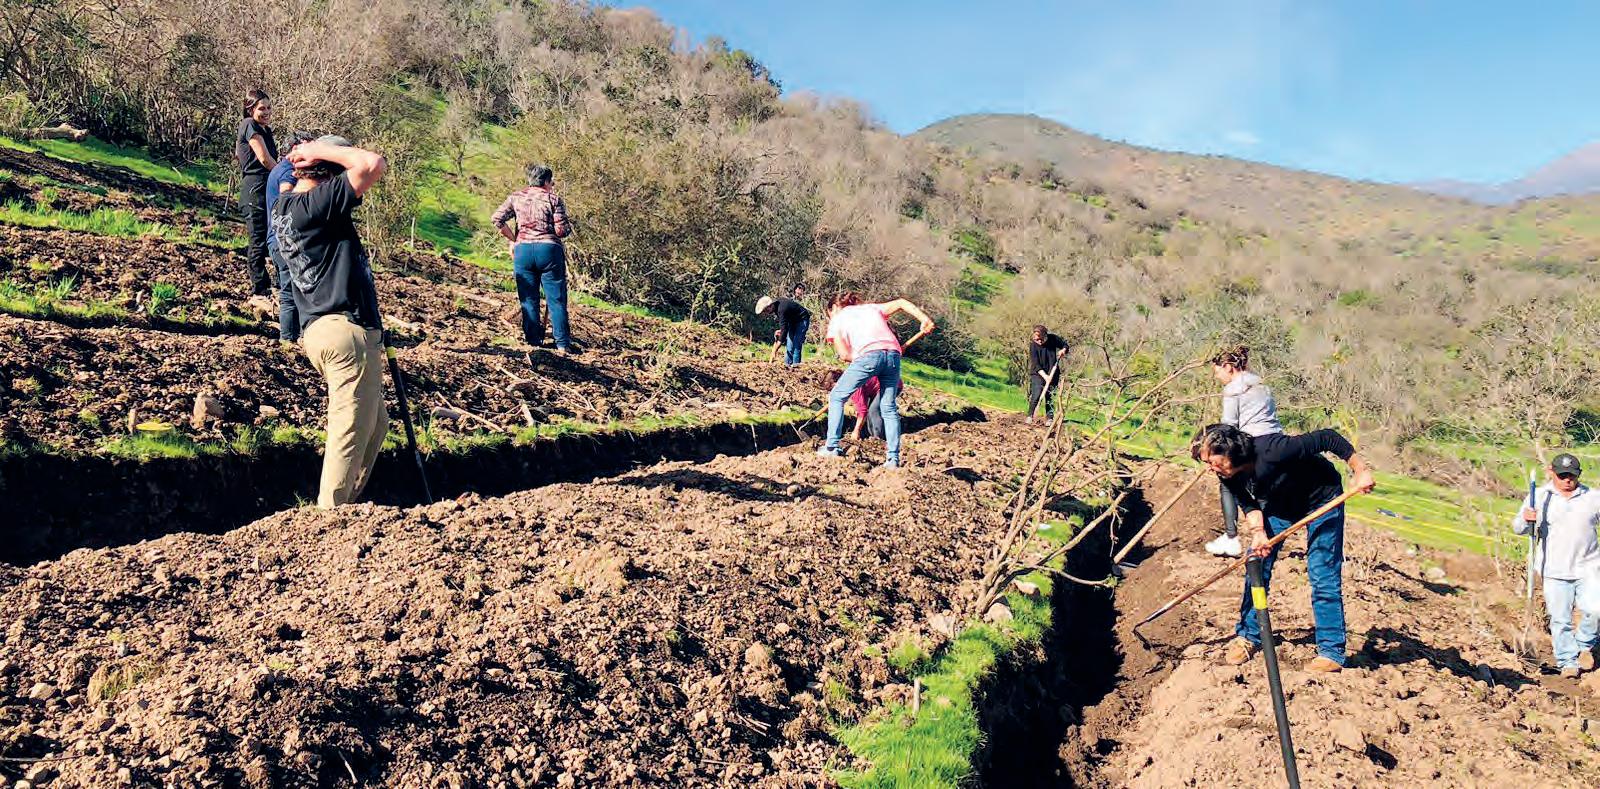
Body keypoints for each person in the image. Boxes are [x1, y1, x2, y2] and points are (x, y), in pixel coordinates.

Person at [1191, 423, 1376, 673]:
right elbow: (1247, 502)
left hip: (1322, 501)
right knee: (1256, 563)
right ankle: (1248, 635)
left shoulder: (1274, 449)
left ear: (1230, 450)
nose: (1210, 468)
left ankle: (1331, 651)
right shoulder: (1226, 473)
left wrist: (1360, 470)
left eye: (1211, 461)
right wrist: (1258, 532)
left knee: (1322, 573)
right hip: (1280, 506)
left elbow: (1328, 437)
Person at [270, 135, 389, 508]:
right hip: (342, 329)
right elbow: (371, 164)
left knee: (375, 424)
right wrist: (316, 151)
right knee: (349, 428)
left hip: (323, 329)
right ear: (329, 173)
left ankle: (348, 502)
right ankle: (331, 515)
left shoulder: (286, 205)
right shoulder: (315, 204)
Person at [817, 292, 935, 468]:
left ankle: (831, 447)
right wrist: (924, 319)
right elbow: (901, 302)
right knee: (888, 407)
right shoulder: (871, 308)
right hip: (893, 354)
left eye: (830, 314)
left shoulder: (837, 319)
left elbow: (844, 355)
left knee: (837, 397)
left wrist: (864, 356)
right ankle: (893, 459)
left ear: (833, 308)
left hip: (869, 356)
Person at [1513, 453, 1600, 678]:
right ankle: (1567, 662)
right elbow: (1519, 528)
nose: (1567, 480)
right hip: (1554, 569)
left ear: (1579, 475)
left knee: (1595, 611)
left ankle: (1583, 646)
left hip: (1589, 567)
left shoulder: (1592, 497)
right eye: (1562, 475)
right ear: (1552, 473)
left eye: (1572, 475)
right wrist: (1527, 519)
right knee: (1560, 620)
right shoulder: (1540, 497)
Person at [1205, 346, 1285, 558]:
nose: (1218, 377)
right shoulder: (1261, 385)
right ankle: (1265, 538)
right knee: (1262, 492)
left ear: (1228, 367)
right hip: (1275, 442)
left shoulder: (1233, 390)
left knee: (1227, 481)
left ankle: (1231, 538)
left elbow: (1228, 428)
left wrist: (1215, 453)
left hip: (1251, 445)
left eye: (1217, 372)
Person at [491, 164, 573, 359]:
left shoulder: (515, 197)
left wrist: (513, 239)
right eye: (551, 182)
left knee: (528, 298)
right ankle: (562, 344)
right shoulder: (553, 199)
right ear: (546, 182)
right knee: (556, 299)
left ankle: (533, 342)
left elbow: (497, 219)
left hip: (523, 251)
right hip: (549, 251)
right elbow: (561, 231)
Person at [265, 131, 313, 343]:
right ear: (295, 149)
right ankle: (292, 339)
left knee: (290, 292)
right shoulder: (288, 172)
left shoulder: (278, 168)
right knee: (295, 293)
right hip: (287, 242)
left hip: (276, 240)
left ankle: (289, 339)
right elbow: (286, 196)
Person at [235, 88, 278, 305]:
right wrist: (285, 174)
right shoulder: (249, 125)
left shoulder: (265, 130)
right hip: (255, 189)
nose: (266, 112)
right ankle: (259, 290)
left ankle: (275, 287)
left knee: (273, 238)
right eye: (262, 108)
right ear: (250, 109)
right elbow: (264, 159)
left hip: (266, 189)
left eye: (269, 107)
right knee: (258, 241)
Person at [819, 369, 885, 440]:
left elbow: (862, 410)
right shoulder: (845, 381)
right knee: (869, 414)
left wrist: (856, 430)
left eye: (830, 388)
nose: (832, 391)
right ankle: (873, 435)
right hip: (873, 389)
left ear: (836, 382)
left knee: (873, 410)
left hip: (885, 387)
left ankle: (878, 439)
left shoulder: (852, 385)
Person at [757, 287, 812, 367]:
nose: (766, 313)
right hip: (793, 321)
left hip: (802, 320)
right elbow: (784, 325)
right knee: (789, 345)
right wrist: (781, 330)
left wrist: (775, 350)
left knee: (796, 344)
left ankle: (796, 366)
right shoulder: (777, 307)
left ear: (770, 305)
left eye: (766, 310)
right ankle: (787, 366)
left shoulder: (781, 308)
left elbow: (784, 332)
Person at [1025, 325, 1068, 423]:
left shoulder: (1053, 339)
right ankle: (1030, 416)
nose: (1039, 341)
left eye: (1041, 339)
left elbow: (1065, 345)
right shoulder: (1033, 346)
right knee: (1036, 393)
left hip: (1053, 372)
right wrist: (1045, 377)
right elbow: (1036, 364)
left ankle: (1049, 418)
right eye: (1036, 339)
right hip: (1038, 373)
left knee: (1050, 396)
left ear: (1045, 335)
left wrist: (1063, 350)